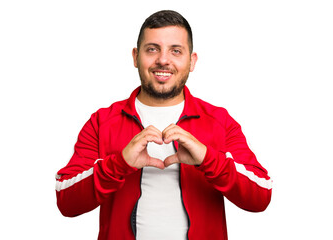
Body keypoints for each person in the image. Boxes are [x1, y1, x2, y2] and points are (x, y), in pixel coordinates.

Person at [55, 10, 272, 240]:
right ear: (135, 57)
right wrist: (119, 164)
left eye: (175, 51)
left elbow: (260, 197)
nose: (163, 60)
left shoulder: (219, 121)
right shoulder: (102, 122)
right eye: (152, 49)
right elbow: (66, 202)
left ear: (192, 61)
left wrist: (208, 160)